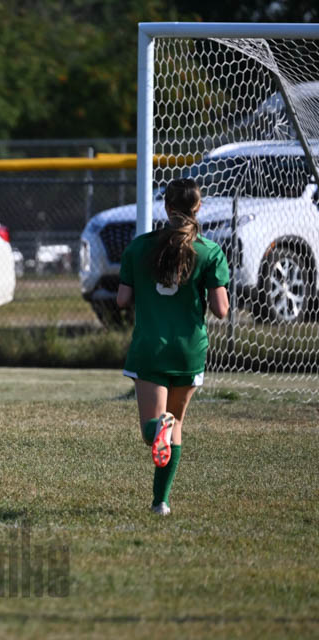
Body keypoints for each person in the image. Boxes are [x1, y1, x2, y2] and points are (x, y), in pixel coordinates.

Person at [116, 177, 229, 516]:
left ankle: (158, 431)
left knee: (154, 431)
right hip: (189, 350)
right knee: (174, 425)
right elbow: (222, 310)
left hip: (151, 346)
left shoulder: (139, 247)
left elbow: (122, 300)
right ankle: (160, 503)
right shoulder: (210, 251)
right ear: (199, 207)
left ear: (166, 208)